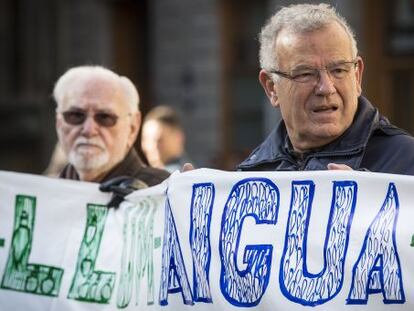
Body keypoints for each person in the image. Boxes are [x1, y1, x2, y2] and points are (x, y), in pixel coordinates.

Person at [238, 3, 414, 174]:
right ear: (271, 88)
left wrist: (369, 196)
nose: (326, 88)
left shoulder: (406, 163)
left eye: (338, 70)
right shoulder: (249, 179)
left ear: (357, 76)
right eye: (305, 74)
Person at [54, 66, 170, 190]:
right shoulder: (44, 197)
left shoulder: (164, 194)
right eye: (76, 115)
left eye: (104, 117)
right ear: (58, 123)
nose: (89, 130)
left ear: (133, 127)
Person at [141, 105, 192, 173]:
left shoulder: (175, 177)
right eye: (146, 139)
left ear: (178, 138)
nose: (151, 146)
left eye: (159, 140)